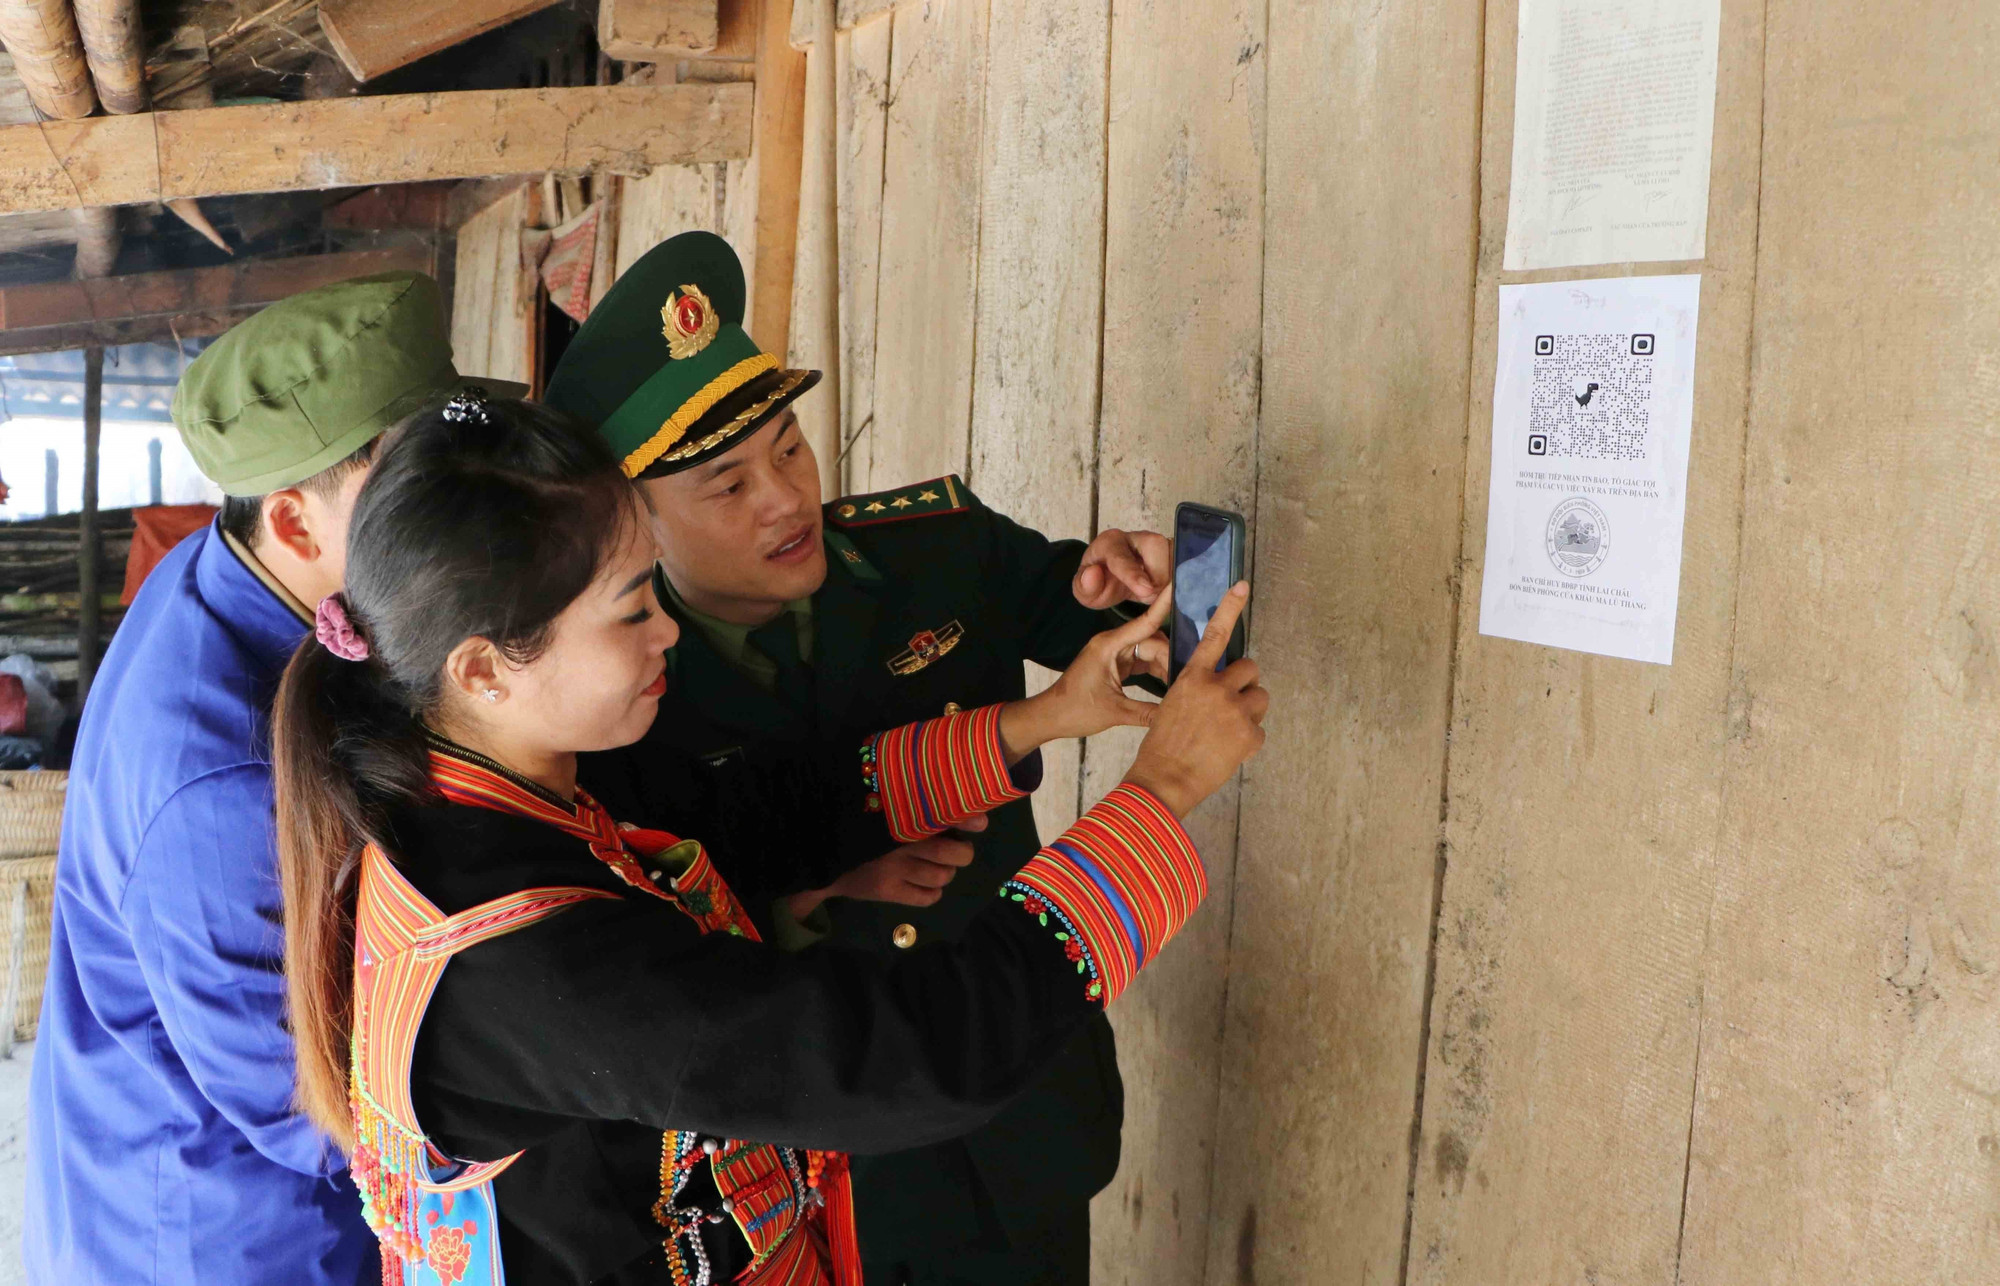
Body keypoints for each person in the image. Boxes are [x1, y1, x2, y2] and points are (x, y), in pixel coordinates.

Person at [270, 392, 1267, 1286]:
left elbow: (757, 817)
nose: (665, 629)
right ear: (484, 668)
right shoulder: (515, 959)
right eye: (631, 607)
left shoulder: (482, 795)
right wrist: (1161, 788)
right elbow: (912, 1055)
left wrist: (1043, 715)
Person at [544, 230, 1176, 1283]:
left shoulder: (938, 552)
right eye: (726, 484)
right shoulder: (619, 701)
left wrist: (1145, 587)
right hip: (823, 1172)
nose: (786, 498)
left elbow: (1126, 645)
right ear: (635, 521)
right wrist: (804, 904)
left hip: (1021, 1109)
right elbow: (642, 953)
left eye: (787, 446)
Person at [23, 272, 523, 1286]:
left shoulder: (246, 569)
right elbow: (303, 1104)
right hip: (223, 1232)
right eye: (415, 488)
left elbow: (474, 414)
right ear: (295, 523)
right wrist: (509, 1121)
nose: (451, 510)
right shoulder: (215, 779)